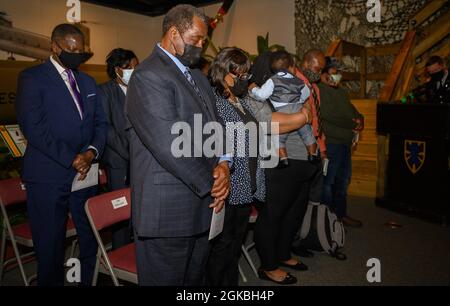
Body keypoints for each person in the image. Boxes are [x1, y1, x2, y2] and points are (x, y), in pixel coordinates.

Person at [125, 4, 231, 286]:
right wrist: (214, 183)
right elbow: (169, 144)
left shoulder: (197, 76)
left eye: (203, 41)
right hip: (167, 212)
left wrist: (224, 163)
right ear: (173, 33)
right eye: (196, 39)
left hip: (202, 204)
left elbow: (216, 124)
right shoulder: (148, 75)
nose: (201, 46)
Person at [16, 23, 107, 285]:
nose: (77, 54)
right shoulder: (32, 78)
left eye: (82, 50)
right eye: (71, 49)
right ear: (54, 47)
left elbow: (100, 124)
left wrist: (90, 153)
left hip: (85, 172)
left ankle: (86, 281)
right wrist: (71, 158)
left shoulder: (88, 81)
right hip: (48, 176)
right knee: (51, 246)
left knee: (88, 237)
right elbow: (34, 128)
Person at [206, 47, 266, 286]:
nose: (244, 80)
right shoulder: (213, 101)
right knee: (220, 251)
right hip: (228, 187)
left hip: (245, 185)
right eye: (238, 75)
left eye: (246, 75)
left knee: (233, 250)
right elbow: (212, 146)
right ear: (223, 73)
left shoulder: (241, 101)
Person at [99, 48, 138, 249]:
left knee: (138, 210)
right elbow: (105, 128)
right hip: (119, 161)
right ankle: (119, 255)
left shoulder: (139, 90)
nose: (134, 70)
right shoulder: (104, 91)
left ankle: (135, 254)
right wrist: (130, 153)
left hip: (140, 160)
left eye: (135, 67)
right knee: (121, 212)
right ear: (117, 70)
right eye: (129, 67)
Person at [250, 50, 317, 167]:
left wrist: (253, 89)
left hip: (283, 112)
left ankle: (283, 158)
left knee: (279, 139)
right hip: (297, 110)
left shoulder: (271, 82)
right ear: (291, 67)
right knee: (307, 135)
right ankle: (312, 154)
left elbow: (261, 95)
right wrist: (303, 109)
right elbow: (306, 93)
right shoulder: (298, 81)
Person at [318, 56, 364, 228]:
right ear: (323, 74)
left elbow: (353, 110)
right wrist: (353, 123)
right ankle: (327, 219)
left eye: (338, 74)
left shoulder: (341, 91)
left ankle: (340, 214)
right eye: (333, 73)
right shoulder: (320, 90)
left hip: (345, 143)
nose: (336, 77)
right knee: (328, 183)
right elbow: (329, 114)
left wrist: (361, 118)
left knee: (343, 181)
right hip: (331, 143)